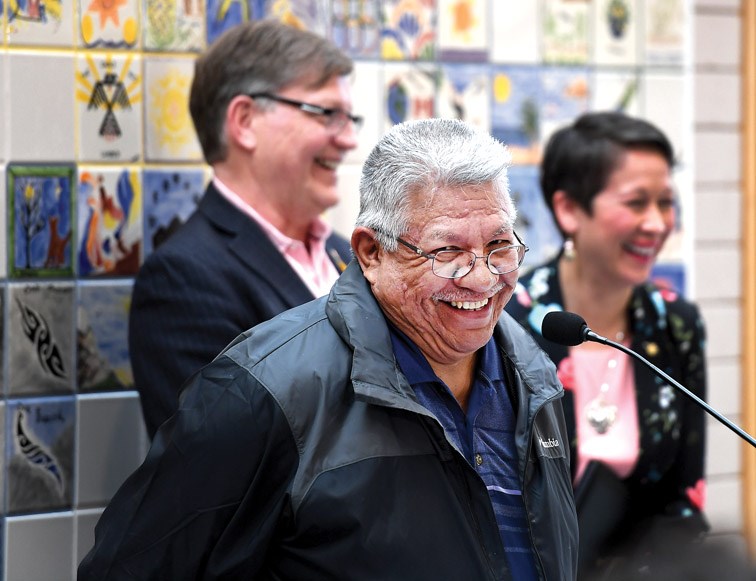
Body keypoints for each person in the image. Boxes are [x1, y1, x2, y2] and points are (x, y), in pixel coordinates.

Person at [79, 118, 578, 580]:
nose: (482, 278)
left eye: (499, 246)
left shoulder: (532, 377)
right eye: (447, 252)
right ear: (371, 252)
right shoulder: (264, 390)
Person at [129, 19, 359, 438]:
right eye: (327, 114)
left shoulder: (353, 255)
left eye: (349, 119)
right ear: (245, 121)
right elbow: (218, 465)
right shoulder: (184, 279)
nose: (348, 141)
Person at [505, 111, 708, 579]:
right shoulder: (508, 321)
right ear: (569, 210)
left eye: (666, 203)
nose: (657, 224)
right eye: (637, 203)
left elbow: (683, 500)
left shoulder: (675, 324)